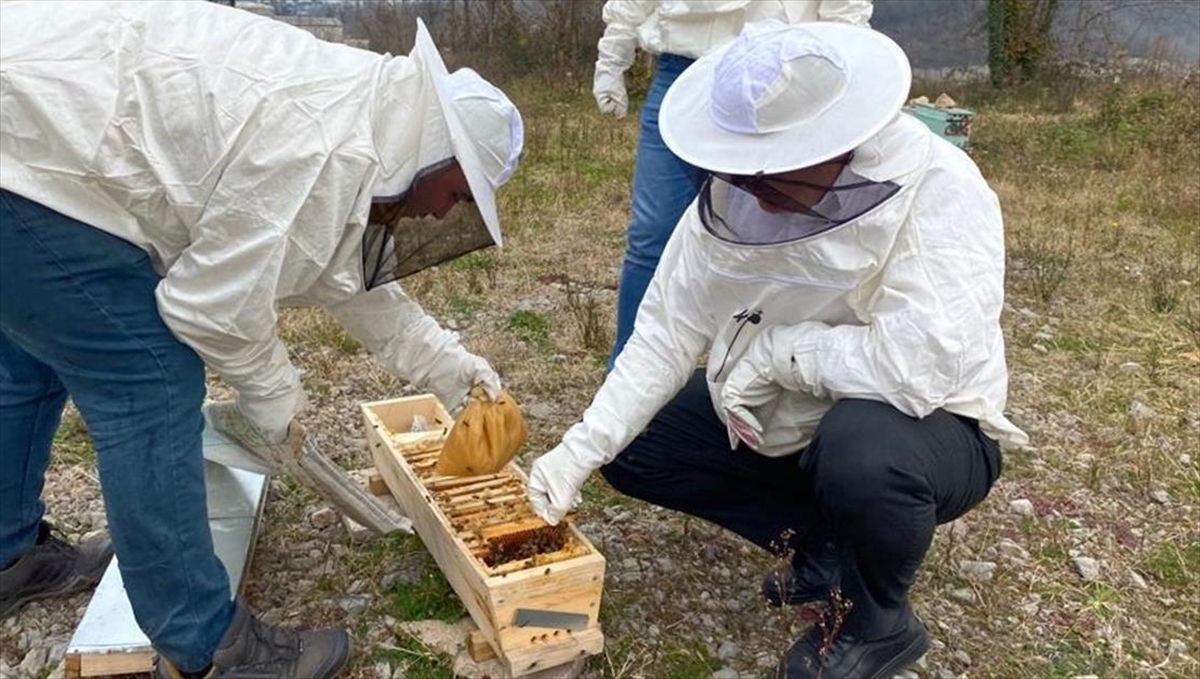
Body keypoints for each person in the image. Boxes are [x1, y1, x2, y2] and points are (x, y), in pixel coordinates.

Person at [0, 2, 523, 678]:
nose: (447, 212)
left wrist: (458, 372)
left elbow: (351, 283)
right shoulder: (322, 144)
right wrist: (274, 394)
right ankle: (209, 644)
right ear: (439, 148)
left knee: (39, 351)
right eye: (459, 193)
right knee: (151, 375)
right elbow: (208, 305)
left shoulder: (371, 126)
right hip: (27, 149)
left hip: (33, 130)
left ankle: (9, 554)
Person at [530, 20, 1028, 679]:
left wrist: (777, 355)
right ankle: (820, 539)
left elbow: (919, 366)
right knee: (635, 445)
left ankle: (879, 621)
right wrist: (575, 453)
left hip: (929, 425)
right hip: (785, 417)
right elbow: (663, 332)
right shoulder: (738, 192)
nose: (750, 186)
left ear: (836, 136)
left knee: (864, 451)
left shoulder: (944, 188)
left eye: (771, 168)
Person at [594, 0, 874, 368]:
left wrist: (850, 66)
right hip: (681, 71)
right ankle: (627, 372)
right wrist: (612, 57)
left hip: (782, 80)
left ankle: (770, 376)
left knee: (784, 235)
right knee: (653, 235)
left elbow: (846, 7)